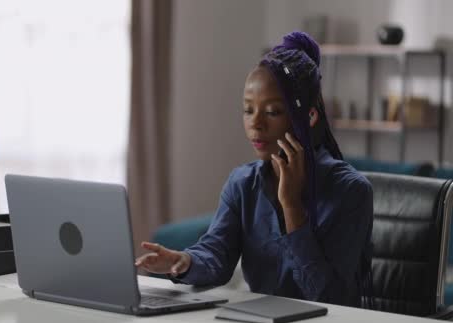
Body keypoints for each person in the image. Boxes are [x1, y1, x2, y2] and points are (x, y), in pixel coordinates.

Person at [135, 31, 373, 308]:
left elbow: (329, 299)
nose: (255, 124)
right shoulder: (243, 183)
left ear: (308, 117)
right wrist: (182, 261)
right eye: (248, 110)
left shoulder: (351, 191)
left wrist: (292, 208)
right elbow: (217, 256)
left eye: (271, 112)